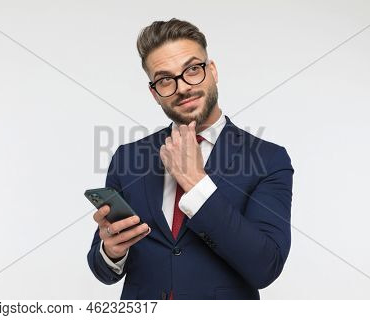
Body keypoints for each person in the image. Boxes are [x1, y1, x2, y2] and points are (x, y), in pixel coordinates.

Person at [87, 18, 294, 300]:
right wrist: (110, 251)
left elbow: (265, 267)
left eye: (192, 70)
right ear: (154, 93)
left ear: (212, 71)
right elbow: (103, 269)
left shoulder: (268, 159)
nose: (182, 87)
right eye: (164, 80)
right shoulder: (128, 158)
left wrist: (196, 183)